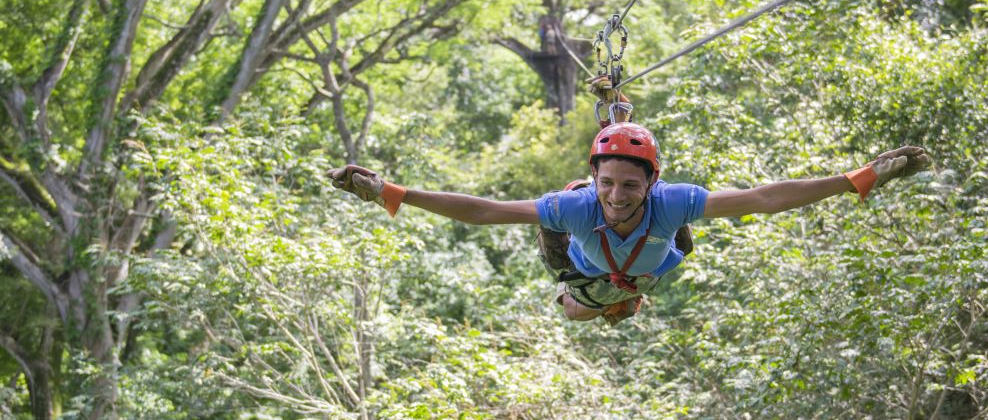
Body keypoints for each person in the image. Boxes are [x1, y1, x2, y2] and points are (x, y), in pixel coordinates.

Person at [327, 123, 930, 325]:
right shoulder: (580, 206)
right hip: (587, 269)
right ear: (596, 181)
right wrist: (393, 193)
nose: (616, 196)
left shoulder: (671, 201)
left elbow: (765, 198)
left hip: (648, 262)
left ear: (650, 183)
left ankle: (623, 294)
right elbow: (485, 210)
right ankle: (611, 294)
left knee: (661, 246)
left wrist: (858, 179)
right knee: (572, 310)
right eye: (607, 183)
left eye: (630, 186)